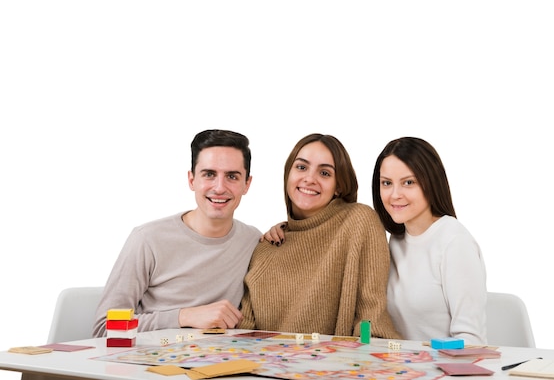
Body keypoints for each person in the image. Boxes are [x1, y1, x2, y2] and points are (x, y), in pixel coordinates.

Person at [92, 129, 261, 338]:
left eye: (232, 176)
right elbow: (104, 328)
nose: (219, 187)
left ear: (247, 184)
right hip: (152, 363)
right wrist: (184, 317)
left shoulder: (253, 240)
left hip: (219, 362)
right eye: (209, 174)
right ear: (191, 180)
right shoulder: (147, 239)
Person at [238, 133, 400, 339]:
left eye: (324, 173)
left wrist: (367, 356)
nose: (309, 178)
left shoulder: (359, 221)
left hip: (341, 366)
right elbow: (245, 332)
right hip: (269, 367)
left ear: (339, 186)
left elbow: (370, 315)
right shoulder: (266, 247)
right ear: (288, 174)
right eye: (301, 167)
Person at [371, 137, 487, 345]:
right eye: (387, 183)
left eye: (408, 182)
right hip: (402, 369)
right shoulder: (396, 241)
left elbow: (471, 341)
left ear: (431, 183)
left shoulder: (454, 241)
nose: (395, 194)